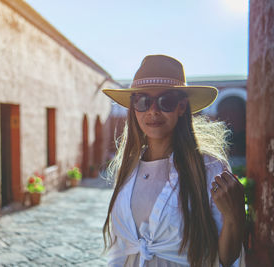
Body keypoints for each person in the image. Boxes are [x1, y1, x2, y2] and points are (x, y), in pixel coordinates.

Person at [101, 55, 246, 267]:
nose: (153, 111)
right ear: (133, 108)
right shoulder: (128, 167)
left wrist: (235, 217)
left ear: (181, 107)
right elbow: (120, 246)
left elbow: (225, 259)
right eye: (143, 101)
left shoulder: (208, 167)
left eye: (165, 101)